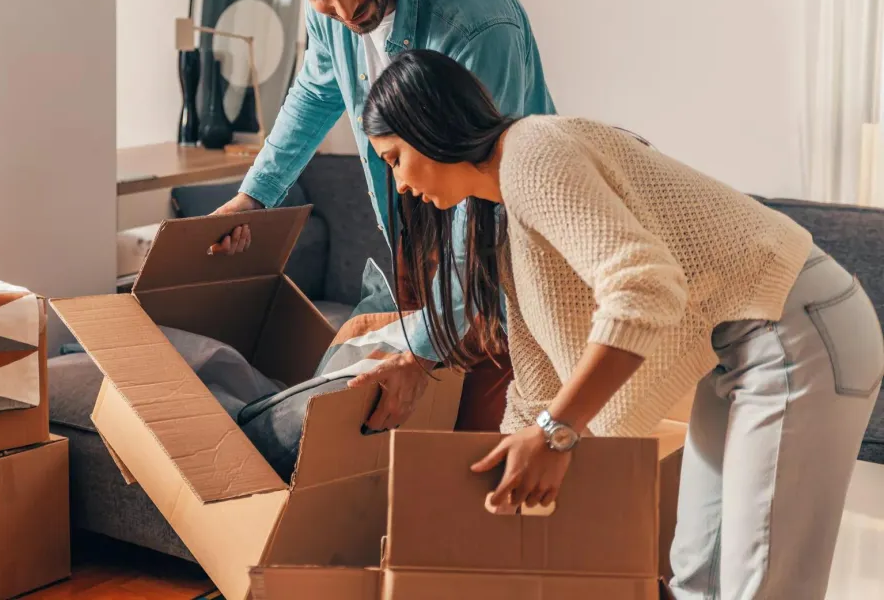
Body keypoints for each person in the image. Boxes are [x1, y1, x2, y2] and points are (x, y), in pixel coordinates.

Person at [361, 48, 884, 600]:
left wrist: (554, 435)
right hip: (740, 348)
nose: (398, 184)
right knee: (697, 576)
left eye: (395, 158)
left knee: (760, 585)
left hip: (798, 326)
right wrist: (497, 492)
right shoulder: (506, 221)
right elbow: (537, 384)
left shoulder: (533, 152)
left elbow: (643, 286)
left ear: (429, 127)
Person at [211, 0, 555, 431]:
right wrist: (255, 197)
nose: (346, 10)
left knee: (480, 427)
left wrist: (421, 351)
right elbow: (315, 91)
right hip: (414, 216)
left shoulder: (474, 22)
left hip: (499, 233)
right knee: (399, 419)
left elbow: (488, 192)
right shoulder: (326, 5)